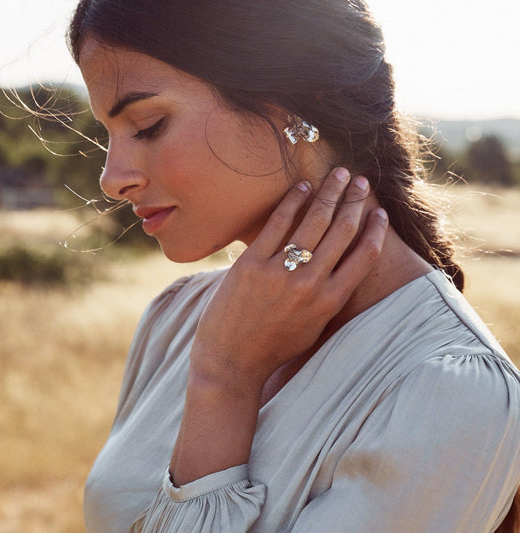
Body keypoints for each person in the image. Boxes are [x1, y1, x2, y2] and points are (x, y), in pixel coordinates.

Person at [68, 1, 520, 531]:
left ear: (295, 102)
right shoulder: (174, 319)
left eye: (148, 125)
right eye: (107, 133)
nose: (111, 178)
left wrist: (225, 380)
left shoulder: (452, 397)